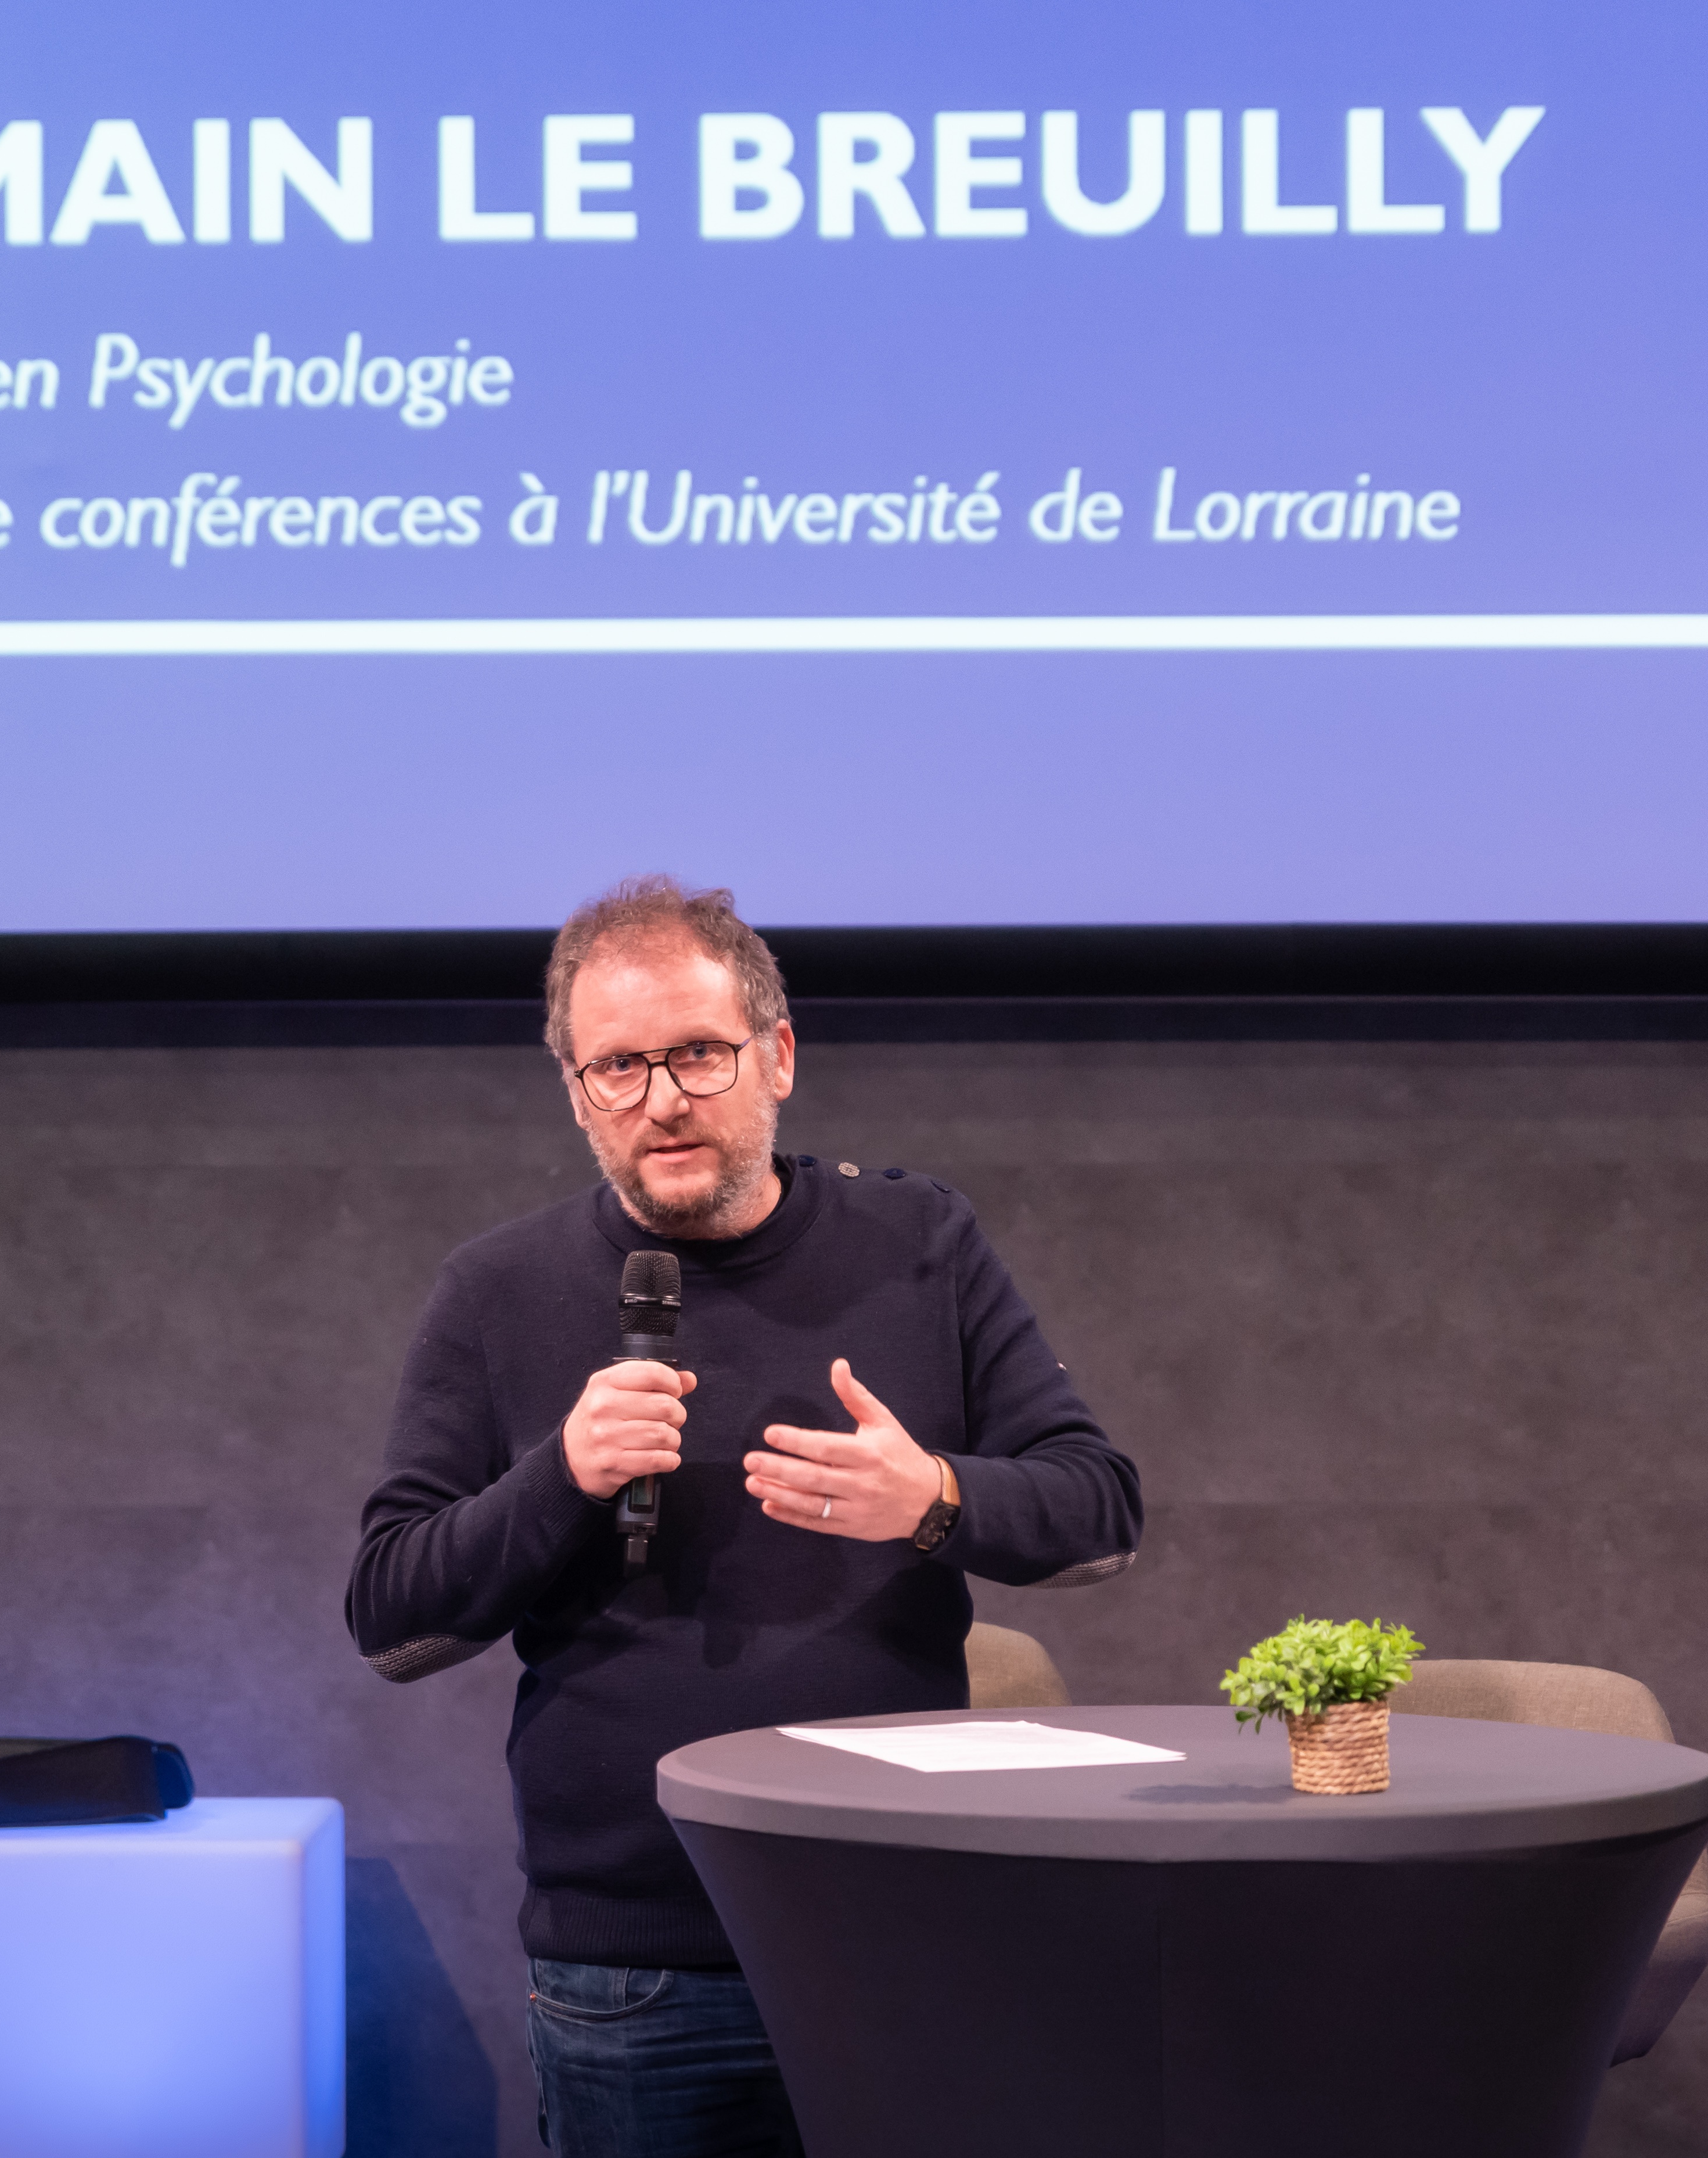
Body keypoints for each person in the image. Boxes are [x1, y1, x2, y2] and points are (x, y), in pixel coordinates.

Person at [346, 874, 1142, 2158]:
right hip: (636, 1970)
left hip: (897, 1934)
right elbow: (393, 1618)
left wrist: (931, 1497)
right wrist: (562, 1474)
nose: (660, 1098)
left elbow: (1099, 1513)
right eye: (616, 1067)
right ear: (573, 1092)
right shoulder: (498, 1291)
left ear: (775, 1055)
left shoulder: (917, 1241)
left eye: (697, 1055)